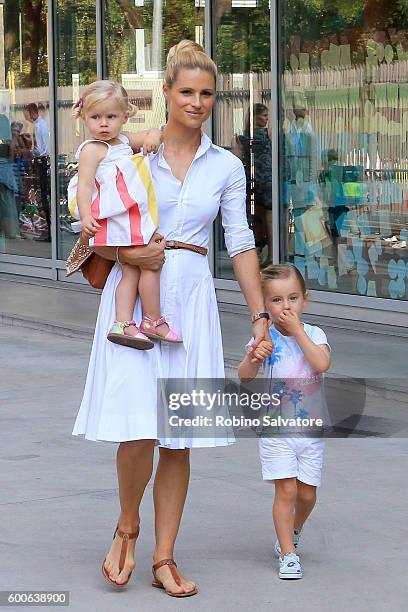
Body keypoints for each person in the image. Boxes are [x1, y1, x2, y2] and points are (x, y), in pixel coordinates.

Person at [72, 40, 269, 596]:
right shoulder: (127, 154)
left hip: (192, 300)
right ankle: (126, 527)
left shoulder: (226, 165)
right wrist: (128, 256)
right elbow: (89, 223)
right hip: (133, 298)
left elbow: (242, 244)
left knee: (177, 436)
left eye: (207, 94)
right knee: (137, 429)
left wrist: (259, 316)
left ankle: (164, 557)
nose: (197, 102)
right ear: (166, 92)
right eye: (187, 91)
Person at [68, 80, 181, 349]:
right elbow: (84, 185)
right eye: (96, 117)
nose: (103, 124)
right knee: (148, 264)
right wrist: (85, 218)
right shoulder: (93, 149)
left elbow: (151, 135)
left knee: (133, 270)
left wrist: (154, 134)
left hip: (130, 216)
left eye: (111, 116)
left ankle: (127, 322)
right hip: (116, 219)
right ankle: (148, 320)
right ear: (84, 118)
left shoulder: (122, 140)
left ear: (124, 116)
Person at [238, 264, 331, 580]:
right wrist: (254, 357)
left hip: (310, 429)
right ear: (265, 306)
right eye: (276, 300)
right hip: (276, 428)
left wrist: (299, 332)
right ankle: (288, 553)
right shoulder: (266, 338)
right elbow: (245, 377)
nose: (286, 306)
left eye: (292, 298)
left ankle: (294, 529)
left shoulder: (315, 334)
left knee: (307, 495)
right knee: (286, 491)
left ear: (305, 299)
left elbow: (322, 363)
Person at [23, 103, 50, 238]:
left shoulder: (40, 126)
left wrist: (29, 152)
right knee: (42, 194)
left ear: (32, 112)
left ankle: (47, 230)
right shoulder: (40, 124)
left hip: (42, 161)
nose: (25, 117)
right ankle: (47, 229)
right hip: (42, 160)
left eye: (26, 114)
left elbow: (42, 149)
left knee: (42, 195)